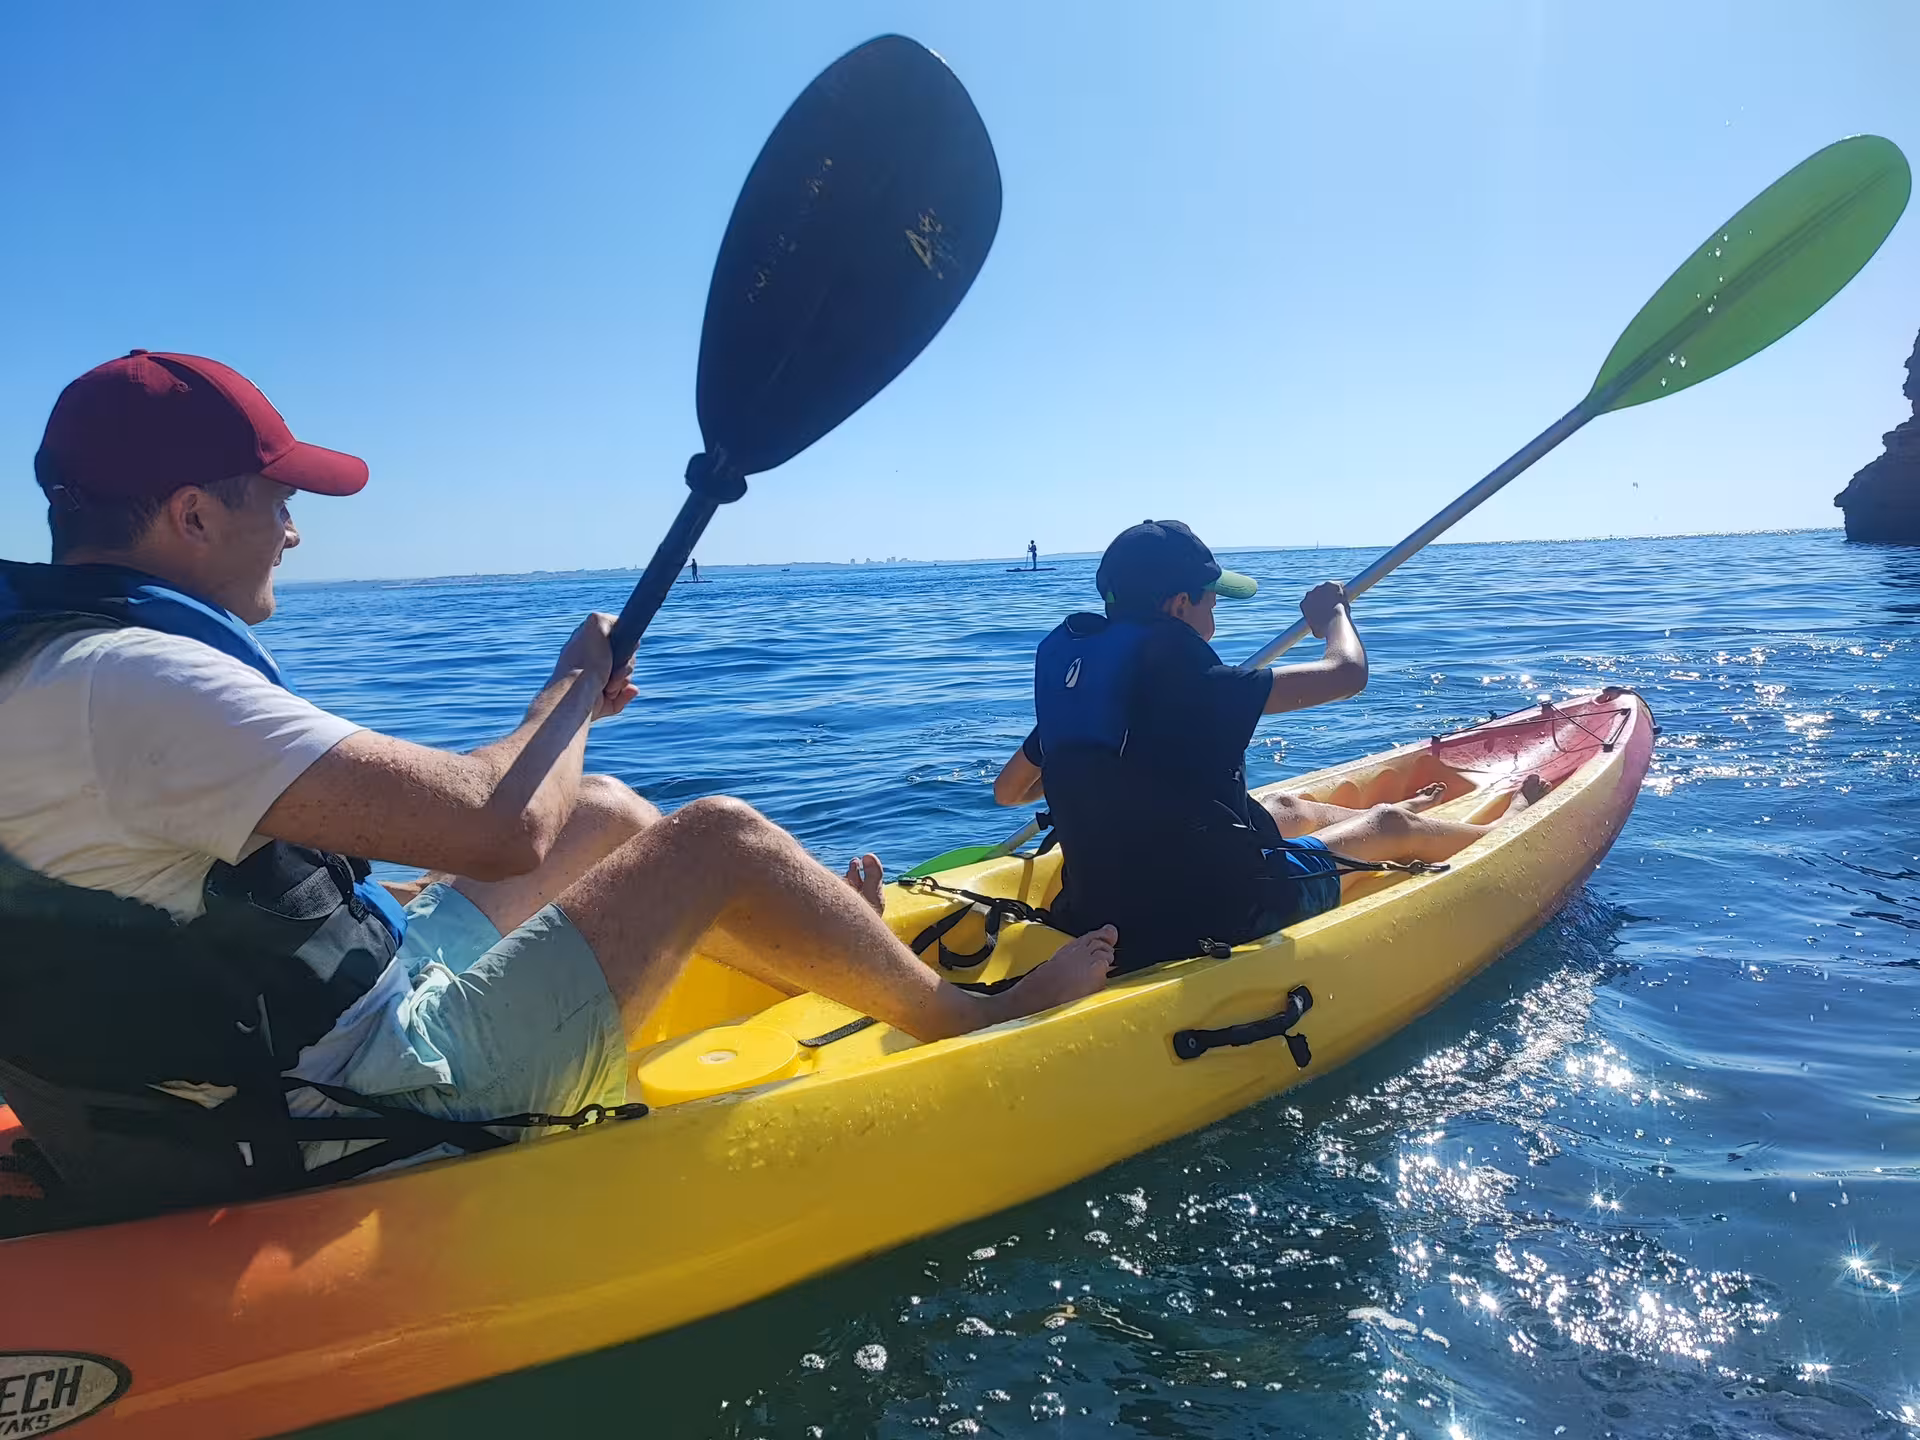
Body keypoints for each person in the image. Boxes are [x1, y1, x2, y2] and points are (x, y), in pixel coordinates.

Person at [0, 350, 1115, 1214]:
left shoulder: (45, 668)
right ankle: (964, 1016)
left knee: (600, 811)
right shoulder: (138, 683)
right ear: (191, 513)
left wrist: (569, 725)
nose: (293, 530)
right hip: (345, 1104)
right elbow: (498, 827)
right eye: (275, 499)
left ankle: (812, 951)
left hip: (231, 1069)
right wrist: (569, 690)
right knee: (713, 835)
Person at [992, 520, 1543, 972]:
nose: (1216, 612)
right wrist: (1332, 617)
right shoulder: (1196, 686)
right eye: (1212, 599)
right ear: (1181, 603)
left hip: (1094, 909)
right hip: (1222, 912)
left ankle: (1418, 811)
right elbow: (1347, 674)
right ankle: (1505, 829)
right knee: (1386, 827)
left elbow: (1008, 792)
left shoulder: (1087, 695)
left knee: (1279, 809)